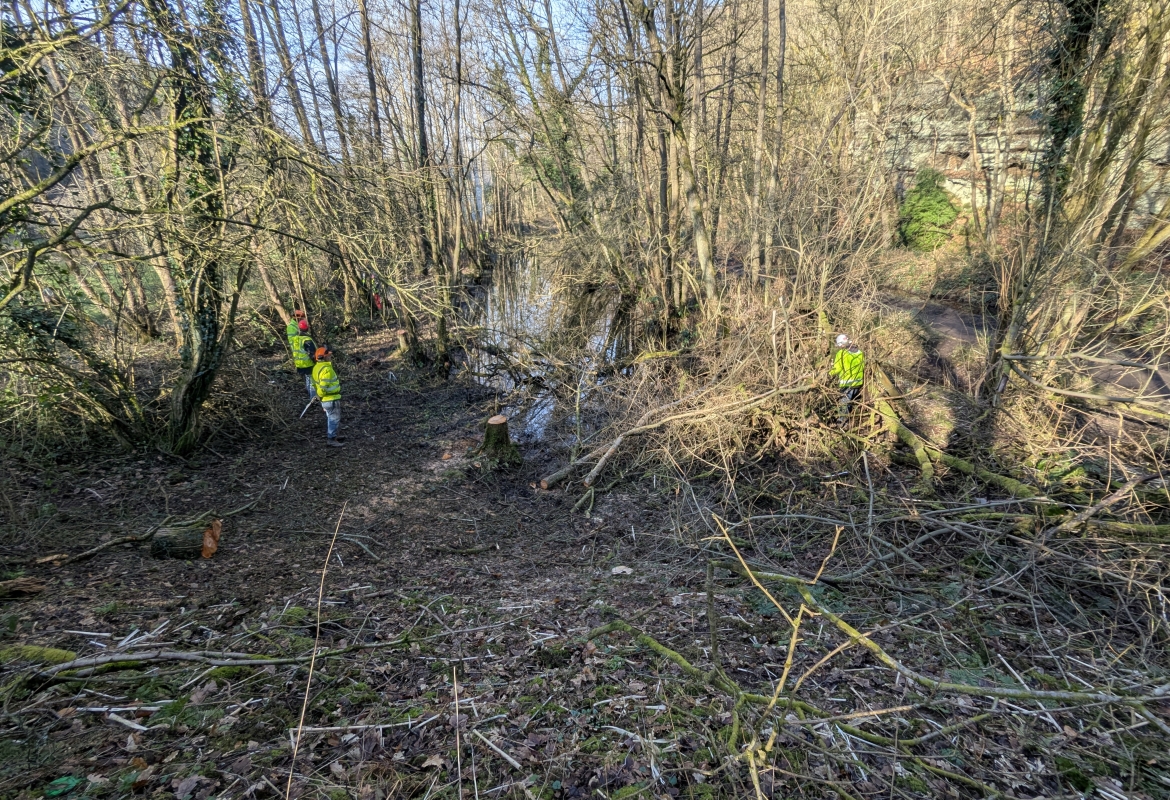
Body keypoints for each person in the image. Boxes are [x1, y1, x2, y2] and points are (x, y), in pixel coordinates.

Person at [311, 346, 344, 447]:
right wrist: (320, 395)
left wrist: (318, 397)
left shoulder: (316, 368)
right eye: (328, 356)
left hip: (325, 399)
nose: (330, 357)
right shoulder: (326, 369)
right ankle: (332, 438)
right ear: (323, 357)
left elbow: (313, 384)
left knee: (331, 417)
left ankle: (333, 436)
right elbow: (323, 386)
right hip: (331, 398)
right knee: (334, 418)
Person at [830, 334, 865, 426]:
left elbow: (837, 369)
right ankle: (848, 421)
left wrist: (828, 373)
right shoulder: (860, 352)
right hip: (858, 383)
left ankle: (842, 422)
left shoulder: (841, 353)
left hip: (847, 384)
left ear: (841, 344)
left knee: (844, 403)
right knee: (849, 402)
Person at [290, 320, 317, 401]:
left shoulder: (295, 339)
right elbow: (312, 353)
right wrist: (316, 361)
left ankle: (311, 396)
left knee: (308, 379)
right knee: (312, 381)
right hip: (308, 364)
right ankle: (313, 399)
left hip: (299, 365)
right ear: (307, 328)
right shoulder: (306, 340)